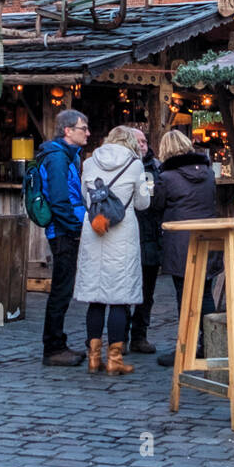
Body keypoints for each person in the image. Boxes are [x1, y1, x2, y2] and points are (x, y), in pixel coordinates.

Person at [75, 125, 151, 375]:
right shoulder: (136, 165)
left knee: (95, 297)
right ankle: (115, 359)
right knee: (119, 297)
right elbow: (142, 203)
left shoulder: (89, 162)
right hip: (122, 233)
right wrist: (146, 185)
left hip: (95, 229)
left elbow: (88, 200)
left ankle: (93, 357)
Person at [156, 129, 220, 367]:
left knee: (185, 297)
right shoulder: (208, 172)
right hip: (207, 238)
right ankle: (210, 343)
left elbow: (157, 204)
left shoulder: (167, 177)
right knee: (204, 293)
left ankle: (187, 346)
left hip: (180, 242)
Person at [39, 108, 91, 366]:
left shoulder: (66, 156)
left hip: (65, 229)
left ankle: (58, 343)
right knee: (61, 289)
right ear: (68, 131)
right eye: (84, 128)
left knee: (63, 288)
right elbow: (60, 200)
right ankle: (53, 348)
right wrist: (76, 228)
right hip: (62, 232)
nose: (88, 133)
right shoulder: (58, 158)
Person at [126, 126, 163, 354]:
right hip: (127, 236)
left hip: (149, 235)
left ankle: (139, 335)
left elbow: (155, 200)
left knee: (146, 292)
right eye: (137, 141)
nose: (142, 145)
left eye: (144, 141)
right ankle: (119, 336)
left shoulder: (155, 167)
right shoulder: (122, 167)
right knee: (122, 290)